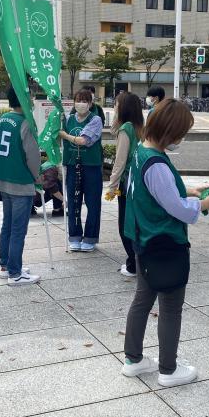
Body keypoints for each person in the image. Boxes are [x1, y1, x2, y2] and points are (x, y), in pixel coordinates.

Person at [121, 99, 209, 387]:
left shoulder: (141, 152)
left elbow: (158, 191)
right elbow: (176, 207)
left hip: (143, 238)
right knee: (171, 306)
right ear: (168, 131)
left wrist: (189, 189)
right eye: (180, 133)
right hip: (164, 242)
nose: (181, 139)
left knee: (142, 300)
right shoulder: (156, 162)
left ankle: (133, 360)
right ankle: (168, 369)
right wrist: (205, 204)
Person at [0, 87, 41, 286]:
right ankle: (15, 273)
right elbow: (32, 156)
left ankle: (6, 266)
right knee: (18, 229)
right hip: (20, 181)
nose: (32, 100)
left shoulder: (3, 118)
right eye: (30, 97)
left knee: (8, 225)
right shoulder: (26, 123)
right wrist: (37, 177)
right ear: (23, 99)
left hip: (3, 179)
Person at [105, 91, 144, 277]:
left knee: (125, 225)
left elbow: (120, 162)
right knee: (137, 223)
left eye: (117, 104)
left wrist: (112, 188)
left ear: (124, 108)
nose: (114, 107)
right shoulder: (140, 127)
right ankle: (139, 261)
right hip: (140, 182)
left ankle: (132, 264)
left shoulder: (125, 129)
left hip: (126, 184)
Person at [59, 89, 103, 252]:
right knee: (73, 202)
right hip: (72, 165)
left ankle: (90, 238)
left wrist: (65, 135)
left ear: (90, 104)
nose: (81, 104)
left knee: (93, 203)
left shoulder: (95, 119)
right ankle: (75, 236)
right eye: (78, 100)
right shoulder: (68, 119)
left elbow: (84, 140)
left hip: (91, 166)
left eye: (85, 101)